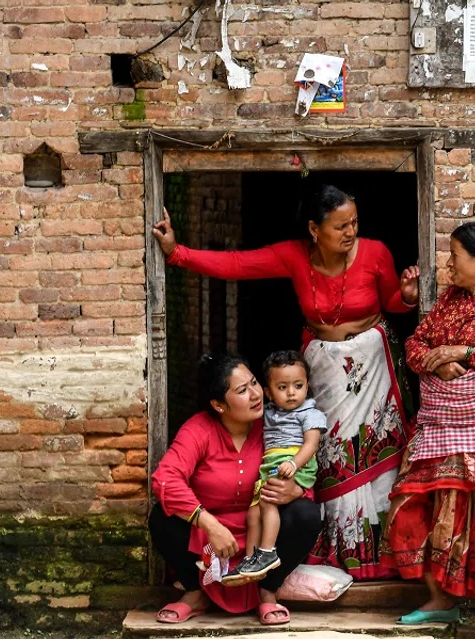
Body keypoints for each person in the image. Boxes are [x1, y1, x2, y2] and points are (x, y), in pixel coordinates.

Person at [152, 185, 418, 580]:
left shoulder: (376, 252)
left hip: (373, 372)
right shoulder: (294, 256)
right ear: (314, 229)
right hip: (322, 374)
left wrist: (408, 297)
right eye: (341, 226)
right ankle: (333, 555)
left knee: (379, 460)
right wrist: (178, 253)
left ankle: (385, 558)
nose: (351, 232)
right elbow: (239, 265)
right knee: (325, 456)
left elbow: (391, 301)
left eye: (355, 223)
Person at [379, 220, 475, 639]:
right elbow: (415, 345)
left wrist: (465, 352)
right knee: (410, 510)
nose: (448, 265)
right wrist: (438, 362)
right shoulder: (449, 300)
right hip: (439, 428)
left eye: (454, 256)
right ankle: (441, 599)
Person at [149, 354, 322, 625]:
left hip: (262, 533)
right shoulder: (199, 429)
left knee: (306, 514)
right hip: (208, 542)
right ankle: (195, 594)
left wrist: (295, 490)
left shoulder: (273, 424)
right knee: (161, 518)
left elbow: (305, 464)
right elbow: (165, 479)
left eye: (254, 383)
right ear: (218, 404)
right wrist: (208, 524)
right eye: (242, 390)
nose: (255, 394)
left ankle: (267, 593)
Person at [223, 350, 325, 585]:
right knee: (253, 512)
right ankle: (249, 562)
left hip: (295, 463)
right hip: (272, 466)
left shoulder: (310, 413)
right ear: (268, 392)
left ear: (307, 386)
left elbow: (311, 444)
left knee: (268, 501)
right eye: (282, 388)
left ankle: (266, 552)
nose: (291, 393)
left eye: (298, 385)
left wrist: (293, 463)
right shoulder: (268, 413)